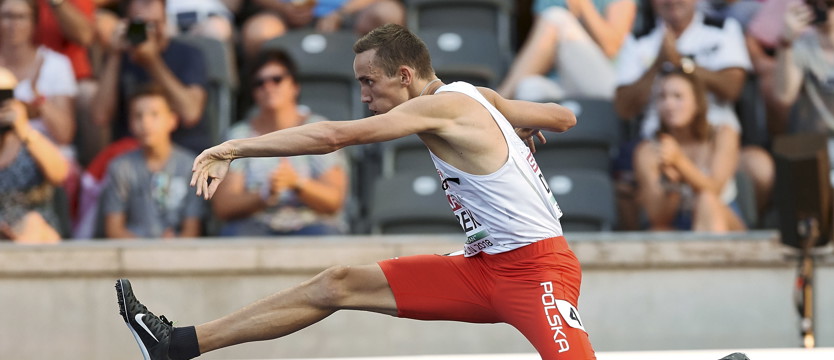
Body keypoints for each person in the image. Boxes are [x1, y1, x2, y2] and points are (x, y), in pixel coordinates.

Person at [116, 24, 596, 360]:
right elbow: (562, 116)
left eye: (370, 82)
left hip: (538, 273)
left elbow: (331, 137)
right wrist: (513, 127)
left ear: (404, 76)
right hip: (483, 267)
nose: (365, 97)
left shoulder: (442, 107)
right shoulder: (479, 96)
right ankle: (176, 345)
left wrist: (233, 147)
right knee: (337, 283)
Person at [614, 0, 774, 222]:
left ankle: (753, 224)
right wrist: (658, 64)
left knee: (755, 170)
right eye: (664, 96)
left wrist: (683, 65)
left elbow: (734, 87)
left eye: (677, 97)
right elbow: (623, 106)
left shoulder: (721, 28)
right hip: (660, 138)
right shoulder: (639, 38)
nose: (671, 2)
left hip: (713, 137)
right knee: (634, 191)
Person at [211, 49, 349, 236]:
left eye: (276, 79)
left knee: (327, 234)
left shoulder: (319, 130)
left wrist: (297, 183)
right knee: (233, 235)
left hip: (312, 223)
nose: (268, 87)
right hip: (256, 224)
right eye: (259, 83)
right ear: (253, 93)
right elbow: (225, 205)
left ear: (294, 86)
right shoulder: (239, 135)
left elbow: (334, 201)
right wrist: (264, 195)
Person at [93, 0, 211, 155]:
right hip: (132, 155)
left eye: (156, 24)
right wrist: (115, 55)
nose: (151, 31)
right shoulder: (118, 57)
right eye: (143, 25)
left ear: (165, 20)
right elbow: (100, 117)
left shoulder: (189, 53)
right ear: (127, 24)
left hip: (183, 152)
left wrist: (153, 62)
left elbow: (190, 113)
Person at [633, 68, 745, 232]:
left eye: (678, 96)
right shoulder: (647, 151)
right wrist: (672, 185)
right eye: (662, 97)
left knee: (706, 200)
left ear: (697, 102)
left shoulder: (723, 134)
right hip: (679, 221)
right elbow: (658, 218)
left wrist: (679, 162)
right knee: (657, 231)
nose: (669, 104)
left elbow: (715, 189)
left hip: (723, 217)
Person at [0, 0, 81, 220]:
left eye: (20, 17)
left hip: (44, 154)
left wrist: (37, 99)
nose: (12, 24)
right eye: (6, 16)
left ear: (34, 22)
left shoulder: (55, 64)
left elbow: (64, 134)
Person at [100, 84, 204, 239]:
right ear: (130, 123)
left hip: (179, 255)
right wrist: (148, 249)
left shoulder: (191, 166)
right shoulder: (120, 167)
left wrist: (175, 245)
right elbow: (114, 229)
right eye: (138, 116)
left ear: (172, 120)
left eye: (154, 114)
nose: (145, 123)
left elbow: (193, 229)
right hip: (133, 255)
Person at [497, 0, 637, 101]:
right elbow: (540, 53)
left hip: (608, 84)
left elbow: (611, 47)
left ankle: (497, 101)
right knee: (528, 88)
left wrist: (583, 5)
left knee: (557, 17)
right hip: (561, 82)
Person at [0, 66, 69, 242]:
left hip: (37, 235)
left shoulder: (32, 140)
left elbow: (59, 173)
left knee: (32, 223)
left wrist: (24, 130)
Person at [240, 0, 405, 61]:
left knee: (388, 14)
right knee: (258, 33)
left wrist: (342, 13)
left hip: (351, 14)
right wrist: (282, 7)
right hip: (284, 15)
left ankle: (385, 103)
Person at [771, 0, 834, 143]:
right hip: (817, 141)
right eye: (813, 2)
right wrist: (786, 41)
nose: (821, 7)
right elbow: (784, 96)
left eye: (829, 3)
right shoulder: (801, 46)